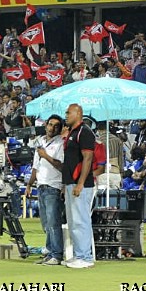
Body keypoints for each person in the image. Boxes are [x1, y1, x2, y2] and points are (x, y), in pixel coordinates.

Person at [62, 103, 96, 268]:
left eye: (69, 113)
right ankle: (78, 254)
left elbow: (88, 158)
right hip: (71, 182)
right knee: (73, 221)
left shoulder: (85, 132)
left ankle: (85, 257)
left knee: (81, 220)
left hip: (80, 184)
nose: (66, 115)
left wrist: (80, 183)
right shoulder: (72, 132)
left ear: (78, 113)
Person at [31, 114, 65, 265]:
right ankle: (50, 252)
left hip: (53, 186)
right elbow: (35, 166)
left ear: (60, 129)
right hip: (41, 185)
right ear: (45, 125)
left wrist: (46, 156)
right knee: (46, 223)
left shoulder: (60, 144)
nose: (52, 128)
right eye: (50, 124)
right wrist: (29, 184)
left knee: (53, 222)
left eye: (56, 126)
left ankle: (56, 254)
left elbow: (62, 166)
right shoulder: (40, 142)